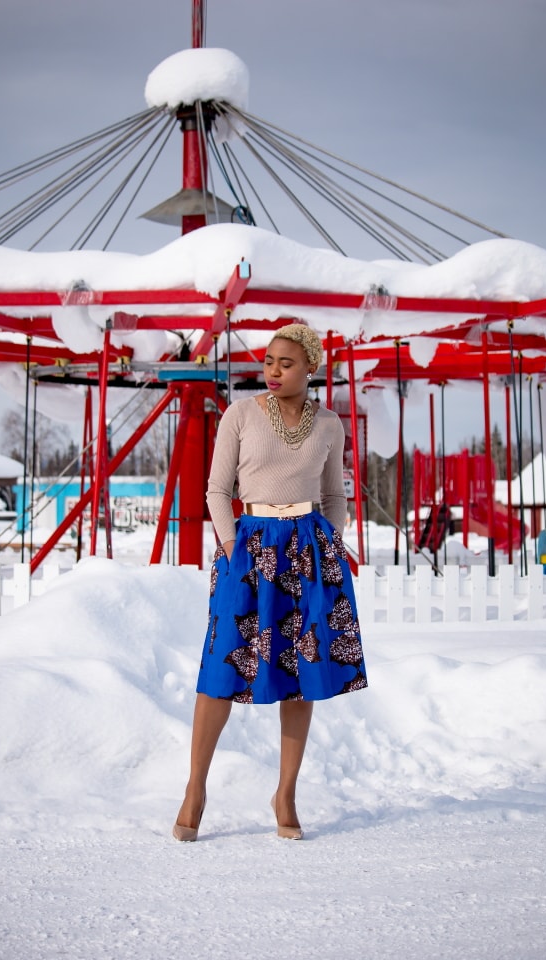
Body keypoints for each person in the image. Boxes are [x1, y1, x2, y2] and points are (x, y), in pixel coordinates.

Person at [173, 322, 368, 842]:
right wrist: (234, 545)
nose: (274, 371)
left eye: (286, 362)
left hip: (306, 550)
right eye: (268, 362)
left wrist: (329, 539)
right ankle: (195, 788)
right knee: (221, 669)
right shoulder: (240, 415)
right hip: (248, 546)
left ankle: (285, 793)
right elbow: (217, 489)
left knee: (300, 672)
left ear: (311, 367)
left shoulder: (329, 424)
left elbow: (335, 495)